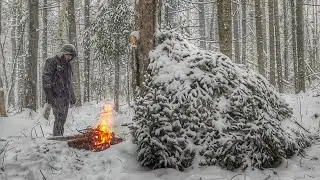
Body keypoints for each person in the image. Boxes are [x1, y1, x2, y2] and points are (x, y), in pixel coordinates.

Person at [42, 44, 77, 136]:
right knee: (59, 119)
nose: (70, 57)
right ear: (63, 53)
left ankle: (59, 137)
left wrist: (72, 96)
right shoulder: (52, 62)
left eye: (71, 55)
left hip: (65, 97)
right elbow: (46, 79)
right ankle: (57, 139)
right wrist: (49, 95)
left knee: (62, 120)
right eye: (68, 55)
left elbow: (69, 83)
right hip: (56, 96)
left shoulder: (68, 66)